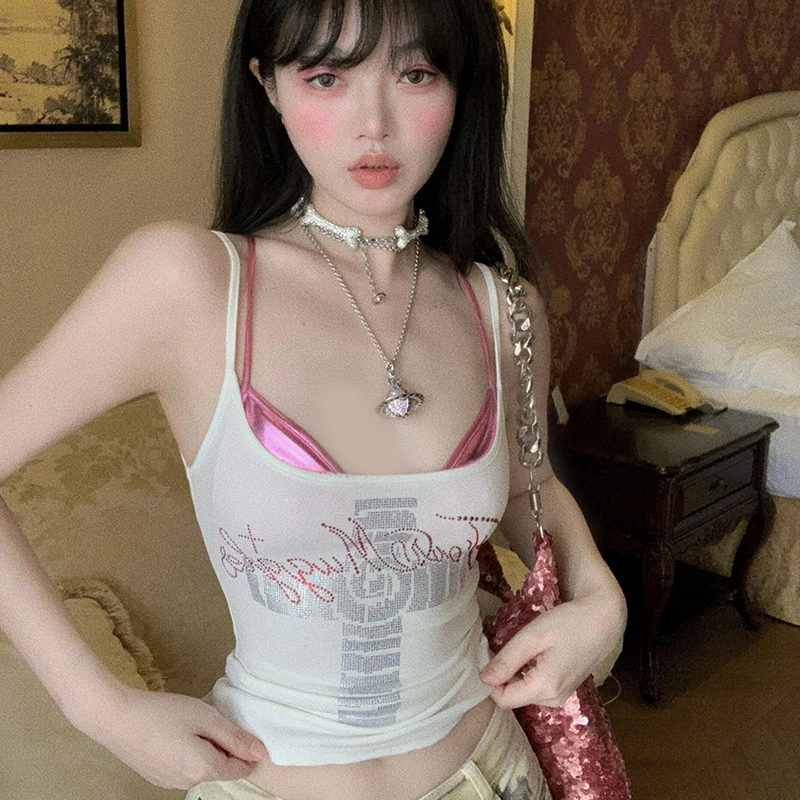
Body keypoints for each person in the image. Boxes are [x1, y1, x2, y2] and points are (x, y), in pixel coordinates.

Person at [0, 0, 627, 798]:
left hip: (494, 773)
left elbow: (525, 488)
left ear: (462, 86)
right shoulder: (187, 284)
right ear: (268, 85)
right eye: (327, 76)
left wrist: (601, 596)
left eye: (415, 73)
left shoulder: (504, 309)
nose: (375, 125)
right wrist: (101, 708)